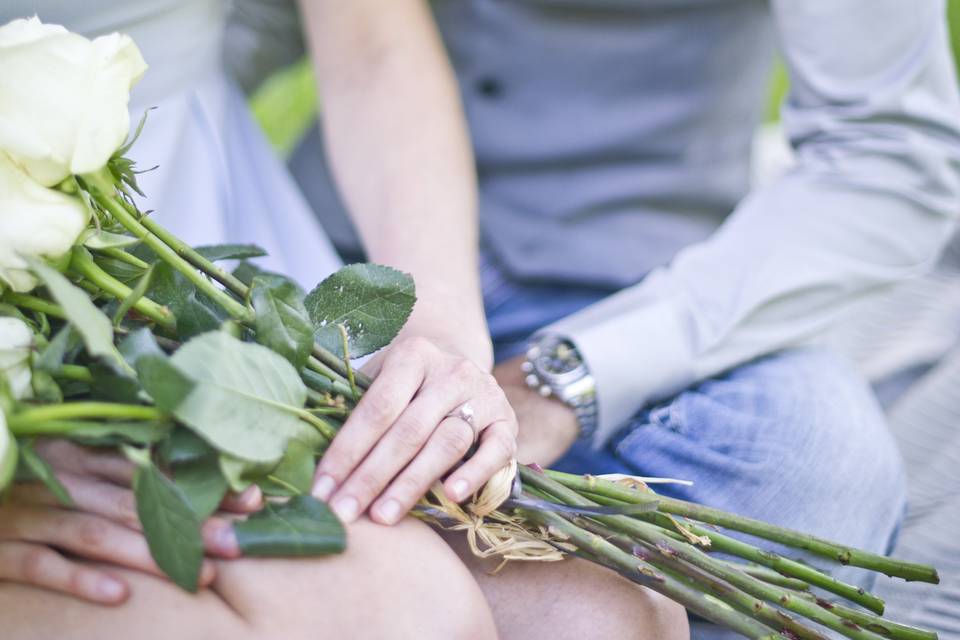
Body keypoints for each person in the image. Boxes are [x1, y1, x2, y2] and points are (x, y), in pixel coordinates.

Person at [0, 2, 689, 639]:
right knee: (405, 618)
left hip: (187, 245)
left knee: (606, 616)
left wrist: (438, 331)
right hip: (24, 368)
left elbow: (372, 46)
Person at [283, 1, 960, 638]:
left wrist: (571, 378)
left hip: (647, 286)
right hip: (352, 266)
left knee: (824, 479)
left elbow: (888, 152)